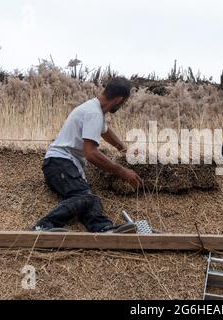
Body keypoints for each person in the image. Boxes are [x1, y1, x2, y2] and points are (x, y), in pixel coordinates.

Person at [32, 77, 143, 233]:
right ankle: (43, 226)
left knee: (91, 200)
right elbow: (90, 153)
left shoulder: (95, 109)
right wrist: (122, 171)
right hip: (59, 163)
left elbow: (105, 131)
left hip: (64, 164)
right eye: (124, 103)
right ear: (119, 99)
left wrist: (124, 149)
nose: (122, 105)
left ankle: (103, 229)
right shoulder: (94, 113)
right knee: (85, 197)